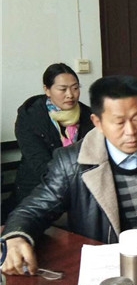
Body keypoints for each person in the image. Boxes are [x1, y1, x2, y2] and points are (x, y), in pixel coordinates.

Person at [1, 75, 137, 278]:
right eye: (119, 122)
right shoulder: (72, 162)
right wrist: (16, 237)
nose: (131, 132)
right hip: (107, 268)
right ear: (97, 122)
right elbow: (34, 209)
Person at [11, 63, 94, 207]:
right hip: (39, 189)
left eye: (75, 88)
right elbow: (39, 163)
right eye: (63, 89)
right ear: (47, 90)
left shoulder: (89, 115)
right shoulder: (30, 117)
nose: (70, 94)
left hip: (82, 189)